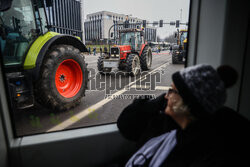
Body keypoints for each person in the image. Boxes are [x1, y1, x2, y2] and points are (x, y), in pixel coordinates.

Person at [117, 64, 250, 167]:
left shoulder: (203, 152)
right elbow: (125, 126)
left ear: (188, 103)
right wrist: (155, 104)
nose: (166, 95)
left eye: (172, 91)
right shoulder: (162, 121)